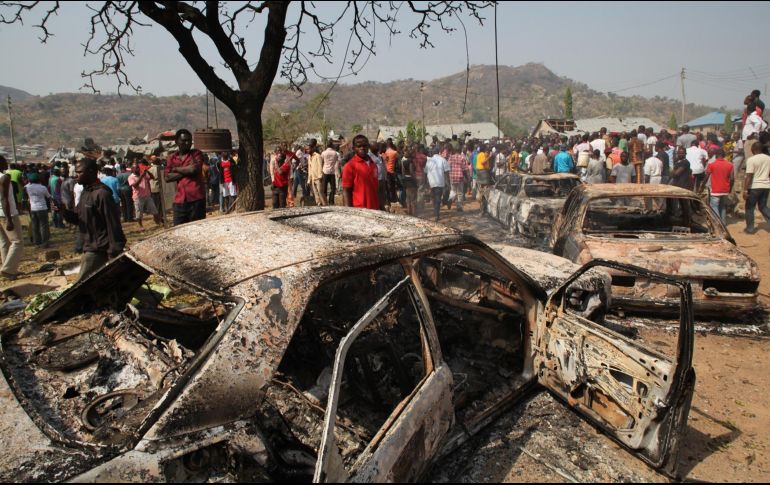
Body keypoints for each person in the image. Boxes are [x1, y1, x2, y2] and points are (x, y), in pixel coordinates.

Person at [62, 158, 126, 282]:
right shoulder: (86, 193)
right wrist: (64, 212)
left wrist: (114, 250)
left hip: (99, 249)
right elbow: (80, 220)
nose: (76, 176)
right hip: (89, 245)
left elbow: (113, 223)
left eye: (80, 172)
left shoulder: (102, 194)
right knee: (114, 282)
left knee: (81, 285)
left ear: (91, 172)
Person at [165, 129, 206, 225]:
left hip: (196, 199)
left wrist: (175, 169)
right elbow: (167, 177)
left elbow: (194, 170)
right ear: (176, 142)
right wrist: (186, 170)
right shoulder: (172, 157)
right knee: (178, 229)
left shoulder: (196, 154)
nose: (187, 143)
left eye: (189, 140)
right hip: (180, 201)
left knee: (197, 229)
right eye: (184, 141)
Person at [0, 156, 23, 280]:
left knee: (4, 242)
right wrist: (9, 218)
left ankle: (7, 268)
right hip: (7, 214)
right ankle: (8, 270)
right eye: (4, 161)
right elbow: (4, 199)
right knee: (17, 242)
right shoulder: (4, 178)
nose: (6, 163)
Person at [342, 135, 379, 210]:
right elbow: (346, 191)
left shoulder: (373, 164)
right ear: (353, 148)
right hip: (359, 210)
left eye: (364, 145)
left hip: (374, 208)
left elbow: (376, 188)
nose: (362, 148)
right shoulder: (349, 166)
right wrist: (349, 211)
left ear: (368, 147)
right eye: (359, 146)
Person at [700, 148, 733, 224]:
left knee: (714, 207)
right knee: (723, 207)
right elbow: (732, 179)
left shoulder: (712, 165)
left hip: (715, 190)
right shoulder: (730, 165)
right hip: (725, 190)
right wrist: (730, 189)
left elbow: (706, 177)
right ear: (724, 155)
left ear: (716, 155)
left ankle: (718, 224)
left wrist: (702, 186)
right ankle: (723, 224)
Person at [743, 142, 770, 234]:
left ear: (754, 149)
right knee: (763, 207)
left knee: (750, 208)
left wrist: (745, 190)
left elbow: (749, 176)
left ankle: (750, 229)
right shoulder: (768, 158)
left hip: (754, 187)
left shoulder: (751, 160)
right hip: (766, 186)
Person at [129, 161, 161, 229]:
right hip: (138, 197)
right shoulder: (131, 177)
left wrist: (147, 171)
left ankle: (158, 223)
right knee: (139, 213)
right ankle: (141, 226)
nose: (138, 169)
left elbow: (152, 177)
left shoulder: (143, 174)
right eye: (136, 168)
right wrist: (141, 176)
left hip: (147, 196)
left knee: (154, 210)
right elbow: (135, 186)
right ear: (132, 169)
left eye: (138, 167)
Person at [24, 172, 52, 248]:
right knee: (44, 226)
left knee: (35, 226)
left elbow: (25, 192)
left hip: (33, 209)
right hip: (42, 208)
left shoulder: (27, 187)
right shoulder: (43, 187)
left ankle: (37, 242)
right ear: (39, 179)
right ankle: (45, 242)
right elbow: (49, 197)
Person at [424, 145, 450, 222]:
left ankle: (435, 211)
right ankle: (436, 214)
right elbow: (446, 172)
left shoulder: (429, 161)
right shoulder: (443, 160)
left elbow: (425, 172)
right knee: (438, 198)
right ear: (439, 152)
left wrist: (426, 182)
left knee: (434, 197)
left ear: (432, 152)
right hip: (440, 182)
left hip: (431, 182)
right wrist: (447, 182)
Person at [447, 144, 469, 211]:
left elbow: (448, 167)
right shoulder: (462, 158)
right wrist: (467, 177)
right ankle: (459, 207)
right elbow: (464, 169)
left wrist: (449, 176)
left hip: (452, 177)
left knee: (453, 190)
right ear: (460, 150)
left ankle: (450, 199)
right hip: (460, 177)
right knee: (460, 192)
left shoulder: (450, 157)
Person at [321, 141, 339, 205]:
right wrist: (337, 172)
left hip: (325, 171)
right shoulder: (335, 153)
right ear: (332, 146)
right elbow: (336, 163)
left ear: (327, 146)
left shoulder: (323, 153)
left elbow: (322, 162)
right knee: (333, 188)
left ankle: (325, 201)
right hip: (332, 172)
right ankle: (331, 201)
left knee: (324, 188)